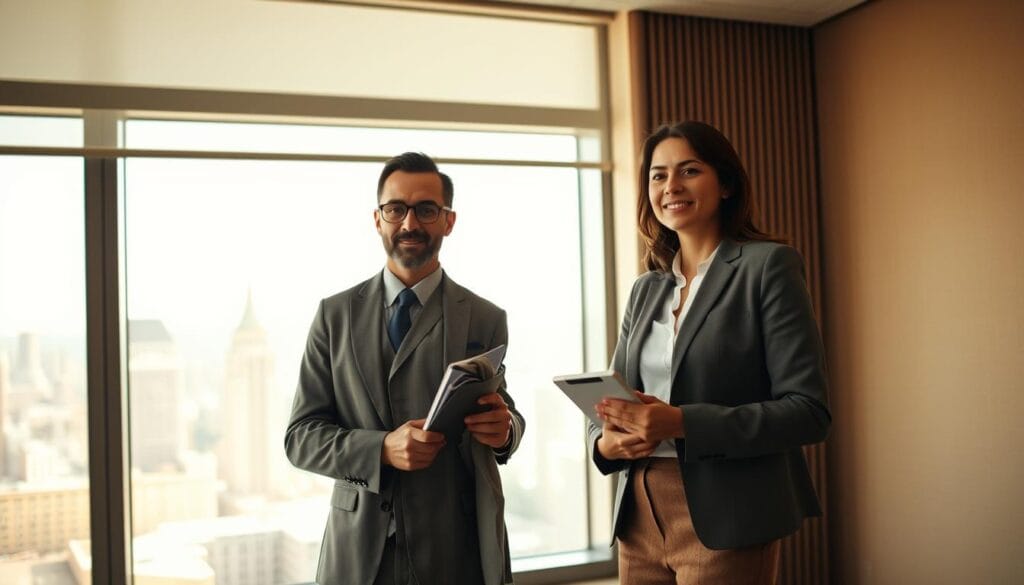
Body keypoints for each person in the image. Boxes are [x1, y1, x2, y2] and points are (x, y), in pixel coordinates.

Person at [590, 121, 831, 585]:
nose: (671, 187)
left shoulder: (767, 267)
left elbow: (808, 412)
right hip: (638, 512)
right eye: (658, 176)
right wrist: (605, 443)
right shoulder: (647, 288)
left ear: (726, 184)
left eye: (690, 171)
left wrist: (680, 422)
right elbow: (612, 400)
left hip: (730, 514)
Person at [285, 152, 524, 585]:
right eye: (396, 209)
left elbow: (504, 411)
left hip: (455, 549)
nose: (410, 223)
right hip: (358, 553)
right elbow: (300, 438)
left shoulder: (486, 317)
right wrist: (380, 449)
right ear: (378, 219)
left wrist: (505, 431)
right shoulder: (333, 316)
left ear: (448, 220)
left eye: (426, 210)